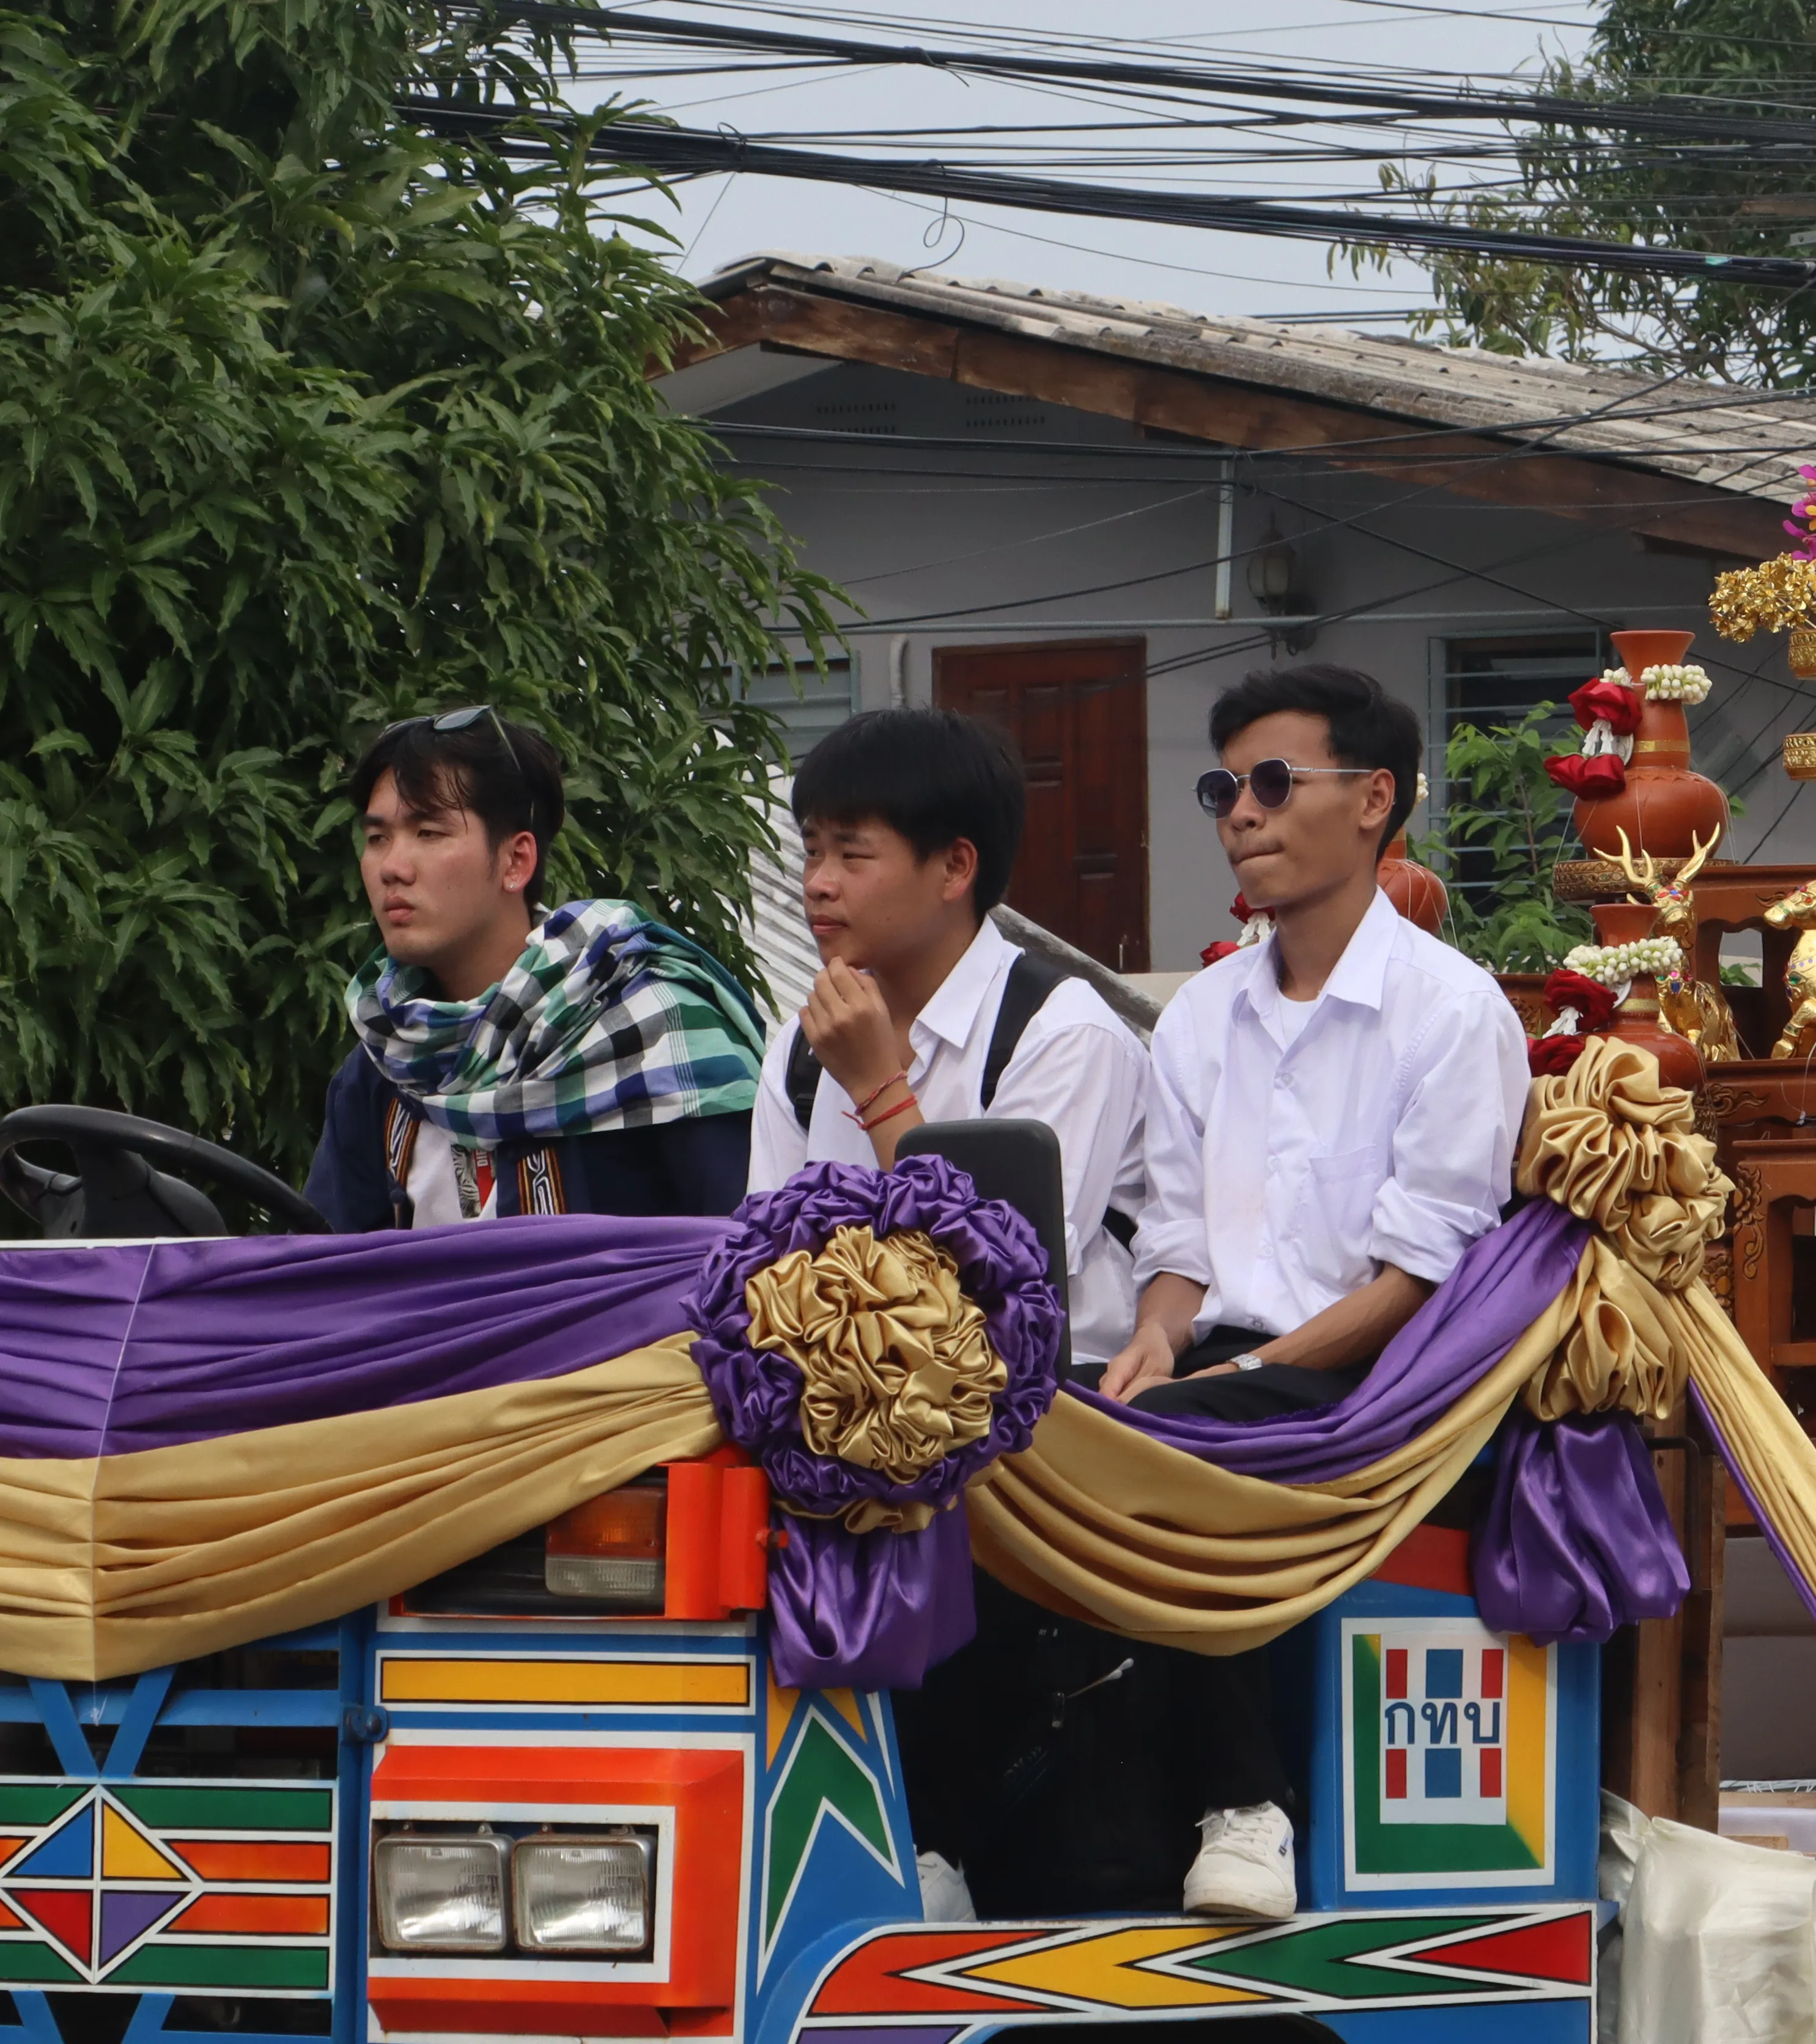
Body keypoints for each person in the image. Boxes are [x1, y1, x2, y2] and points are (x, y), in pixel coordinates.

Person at [1110, 663, 1529, 1918]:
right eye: (1223, 787)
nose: (1242, 812)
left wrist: (1233, 1373)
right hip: (1231, 1369)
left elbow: (1415, 1276)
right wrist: (1150, 1340)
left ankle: (1249, 1806)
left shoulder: (1453, 1012)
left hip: (1392, 1381)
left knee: (1185, 1437)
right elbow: (1177, 1241)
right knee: (1031, 1427)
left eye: (1276, 781)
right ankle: (988, 1832)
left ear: (1373, 800)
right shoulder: (1196, 1020)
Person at [742, 707, 1150, 1369]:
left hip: (1043, 1408)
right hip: (839, 1394)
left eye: (852, 853)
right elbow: (766, 1260)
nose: (817, 881)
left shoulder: (1061, 1033)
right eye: (813, 848)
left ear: (956, 867)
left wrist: (878, 1089)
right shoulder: (801, 1045)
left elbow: (996, 1285)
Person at [308, 707, 762, 1231]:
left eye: (429, 832)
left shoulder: (655, 1030)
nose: (391, 866)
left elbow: (752, 1257)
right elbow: (326, 1276)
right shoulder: (386, 1062)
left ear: (516, 861)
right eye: (378, 838)